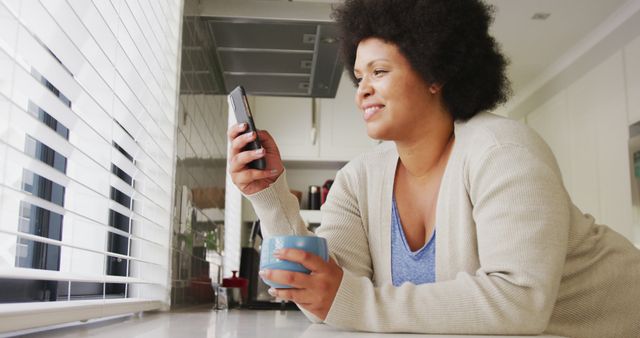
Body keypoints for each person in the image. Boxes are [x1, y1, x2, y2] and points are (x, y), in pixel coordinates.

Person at [227, 0, 640, 336]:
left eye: (380, 71)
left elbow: (518, 303)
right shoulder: (358, 180)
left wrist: (350, 299)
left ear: (435, 74)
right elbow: (328, 298)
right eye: (359, 76)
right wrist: (269, 192)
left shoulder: (502, 150)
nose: (362, 90)